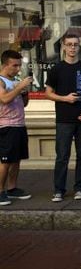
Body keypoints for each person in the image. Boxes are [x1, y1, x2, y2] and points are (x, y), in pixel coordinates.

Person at [45, 33, 81, 202]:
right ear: (64, 46)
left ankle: (80, 188)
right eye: (69, 44)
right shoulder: (57, 69)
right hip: (64, 120)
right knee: (62, 156)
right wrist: (65, 98)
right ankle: (59, 190)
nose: (72, 48)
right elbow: (48, 93)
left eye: (75, 45)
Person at [0, 50, 33, 206]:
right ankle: (0, 191)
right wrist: (20, 87)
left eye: (20, 65)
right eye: (15, 65)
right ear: (5, 65)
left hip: (19, 124)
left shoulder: (15, 81)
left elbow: (23, 104)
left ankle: (12, 188)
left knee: (16, 159)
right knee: (5, 160)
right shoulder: (0, 81)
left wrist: (25, 93)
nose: (18, 69)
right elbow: (5, 99)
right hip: (7, 126)